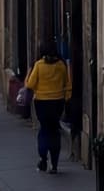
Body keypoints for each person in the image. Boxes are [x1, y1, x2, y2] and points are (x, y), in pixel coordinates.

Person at [27, 43, 73, 173]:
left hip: (41, 102)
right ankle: (54, 164)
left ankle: (43, 157)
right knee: (54, 131)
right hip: (57, 102)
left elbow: (30, 84)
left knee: (44, 129)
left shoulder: (39, 65)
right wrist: (65, 98)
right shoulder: (61, 65)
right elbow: (67, 83)